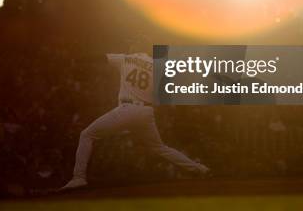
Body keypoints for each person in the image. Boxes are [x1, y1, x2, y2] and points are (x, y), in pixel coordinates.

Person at [60, 38, 210, 190]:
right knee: (160, 147)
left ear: (136, 47)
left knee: (87, 135)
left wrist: (78, 59)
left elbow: (101, 57)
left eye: (132, 44)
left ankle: (79, 177)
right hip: (146, 112)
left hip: (127, 109)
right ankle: (199, 168)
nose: (129, 45)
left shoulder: (126, 58)